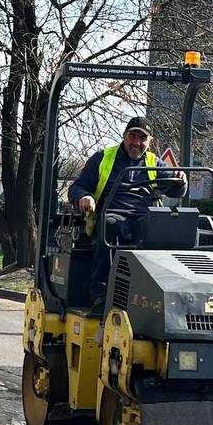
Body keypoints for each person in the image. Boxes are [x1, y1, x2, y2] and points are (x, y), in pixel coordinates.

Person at [68, 116, 185, 308]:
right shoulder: (103, 158)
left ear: (150, 141)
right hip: (112, 213)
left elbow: (175, 188)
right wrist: (85, 197)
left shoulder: (154, 162)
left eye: (142, 138)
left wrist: (181, 181)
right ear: (124, 136)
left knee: (167, 228)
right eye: (132, 136)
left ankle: (160, 297)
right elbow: (77, 187)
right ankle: (101, 294)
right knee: (112, 226)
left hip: (142, 216)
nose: (137, 142)